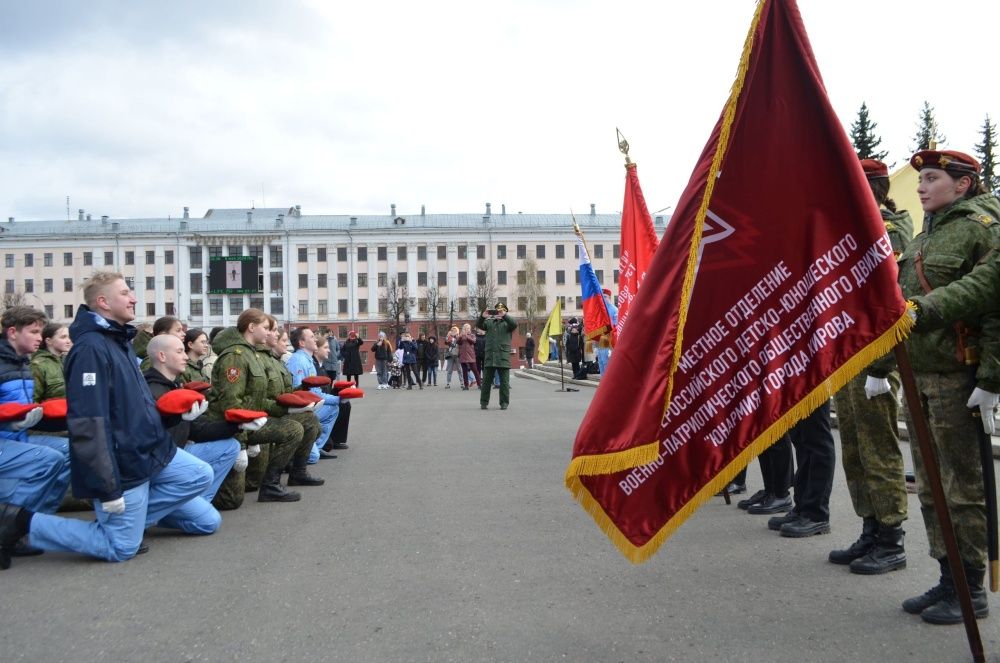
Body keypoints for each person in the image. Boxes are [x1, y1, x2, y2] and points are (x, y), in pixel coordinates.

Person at [0, 272, 216, 568]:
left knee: (199, 476)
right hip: (123, 461)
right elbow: (89, 422)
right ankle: (22, 522)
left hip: (149, 450)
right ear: (103, 302)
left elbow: (132, 408)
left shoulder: (118, 339)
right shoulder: (90, 348)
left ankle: (129, 518)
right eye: (126, 293)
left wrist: (169, 417)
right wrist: (106, 486)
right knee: (119, 546)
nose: (134, 298)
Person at [868, 149, 1000, 624]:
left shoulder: (980, 229)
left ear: (962, 185)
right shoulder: (930, 233)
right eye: (920, 177)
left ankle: (970, 588)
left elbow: (993, 309)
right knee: (929, 487)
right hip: (921, 373)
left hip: (956, 377)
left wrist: (990, 380)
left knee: (961, 488)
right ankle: (948, 579)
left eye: (931, 178)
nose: (920, 186)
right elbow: (902, 311)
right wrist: (882, 366)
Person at [828, 159, 911, 575]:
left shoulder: (891, 230)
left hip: (875, 359)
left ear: (872, 190)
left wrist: (881, 365)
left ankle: (892, 537)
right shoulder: (846, 231)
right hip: (847, 356)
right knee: (855, 450)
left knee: (879, 448)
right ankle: (870, 528)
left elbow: (888, 297)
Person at [206, 310, 306, 508]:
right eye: (266, 328)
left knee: (293, 429)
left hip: (249, 424)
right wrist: (242, 443)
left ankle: (270, 486)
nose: (270, 333)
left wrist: (285, 410)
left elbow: (257, 400)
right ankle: (193, 494)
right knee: (230, 500)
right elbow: (231, 405)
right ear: (251, 327)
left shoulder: (252, 354)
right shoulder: (235, 357)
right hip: (231, 429)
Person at [0, 307, 72, 560]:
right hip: (5, 440)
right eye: (33, 332)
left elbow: (28, 412)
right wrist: (7, 422)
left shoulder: (23, 363)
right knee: (48, 459)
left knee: (71, 450)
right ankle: (8, 527)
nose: (39, 338)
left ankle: (32, 523)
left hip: (18, 438)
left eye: (41, 332)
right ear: (12, 332)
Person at [143, 334, 242, 507]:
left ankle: (199, 502)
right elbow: (149, 436)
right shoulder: (149, 391)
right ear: (162, 356)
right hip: (160, 461)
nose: (186, 356)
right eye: (180, 351)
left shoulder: (175, 385)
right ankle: (145, 508)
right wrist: (175, 418)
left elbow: (195, 430)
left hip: (177, 452)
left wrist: (237, 425)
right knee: (204, 480)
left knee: (231, 446)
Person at [286, 327, 339, 463]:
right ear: (302, 343)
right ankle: (296, 453)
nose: (315, 339)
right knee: (313, 457)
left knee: (333, 408)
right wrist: (338, 398)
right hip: (301, 412)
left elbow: (315, 393)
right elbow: (300, 393)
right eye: (311, 337)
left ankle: (316, 445)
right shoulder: (298, 361)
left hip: (310, 407)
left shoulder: (307, 360)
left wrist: (338, 399)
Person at [477, 302, 518, 410]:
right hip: (490, 356)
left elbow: (515, 324)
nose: (499, 313)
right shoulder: (489, 322)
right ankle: (484, 402)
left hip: (502, 357)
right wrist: (482, 317)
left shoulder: (508, 324)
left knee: (504, 383)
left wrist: (504, 316)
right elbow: (479, 325)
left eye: (501, 311)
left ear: (505, 312)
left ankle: (504, 403)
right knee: (486, 382)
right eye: (497, 311)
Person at [31, 322, 71, 402]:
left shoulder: (68, 361)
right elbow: (34, 398)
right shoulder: (38, 364)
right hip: (50, 413)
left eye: (69, 337)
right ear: (49, 341)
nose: (68, 341)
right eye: (63, 337)